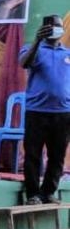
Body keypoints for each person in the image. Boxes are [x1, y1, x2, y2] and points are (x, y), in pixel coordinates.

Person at [19, 15, 70, 204]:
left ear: (62, 29)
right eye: (49, 26)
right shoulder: (32, 49)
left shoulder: (67, 54)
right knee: (33, 153)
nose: (53, 29)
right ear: (42, 29)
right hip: (37, 111)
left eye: (56, 26)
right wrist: (37, 41)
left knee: (57, 155)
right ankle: (32, 194)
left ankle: (48, 192)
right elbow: (24, 63)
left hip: (63, 114)